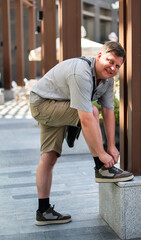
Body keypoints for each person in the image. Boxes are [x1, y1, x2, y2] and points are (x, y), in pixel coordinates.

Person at [30, 41, 134, 226]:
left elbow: (108, 111)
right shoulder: (81, 72)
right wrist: (102, 155)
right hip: (42, 104)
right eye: (110, 61)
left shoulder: (108, 81)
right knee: (91, 112)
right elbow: (87, 117)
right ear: (99, 56)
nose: (112, 68)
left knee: (49, 156)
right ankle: (101, 168)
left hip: (60, 104)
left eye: (117, 65)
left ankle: (43, 211)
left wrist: (111, 145)